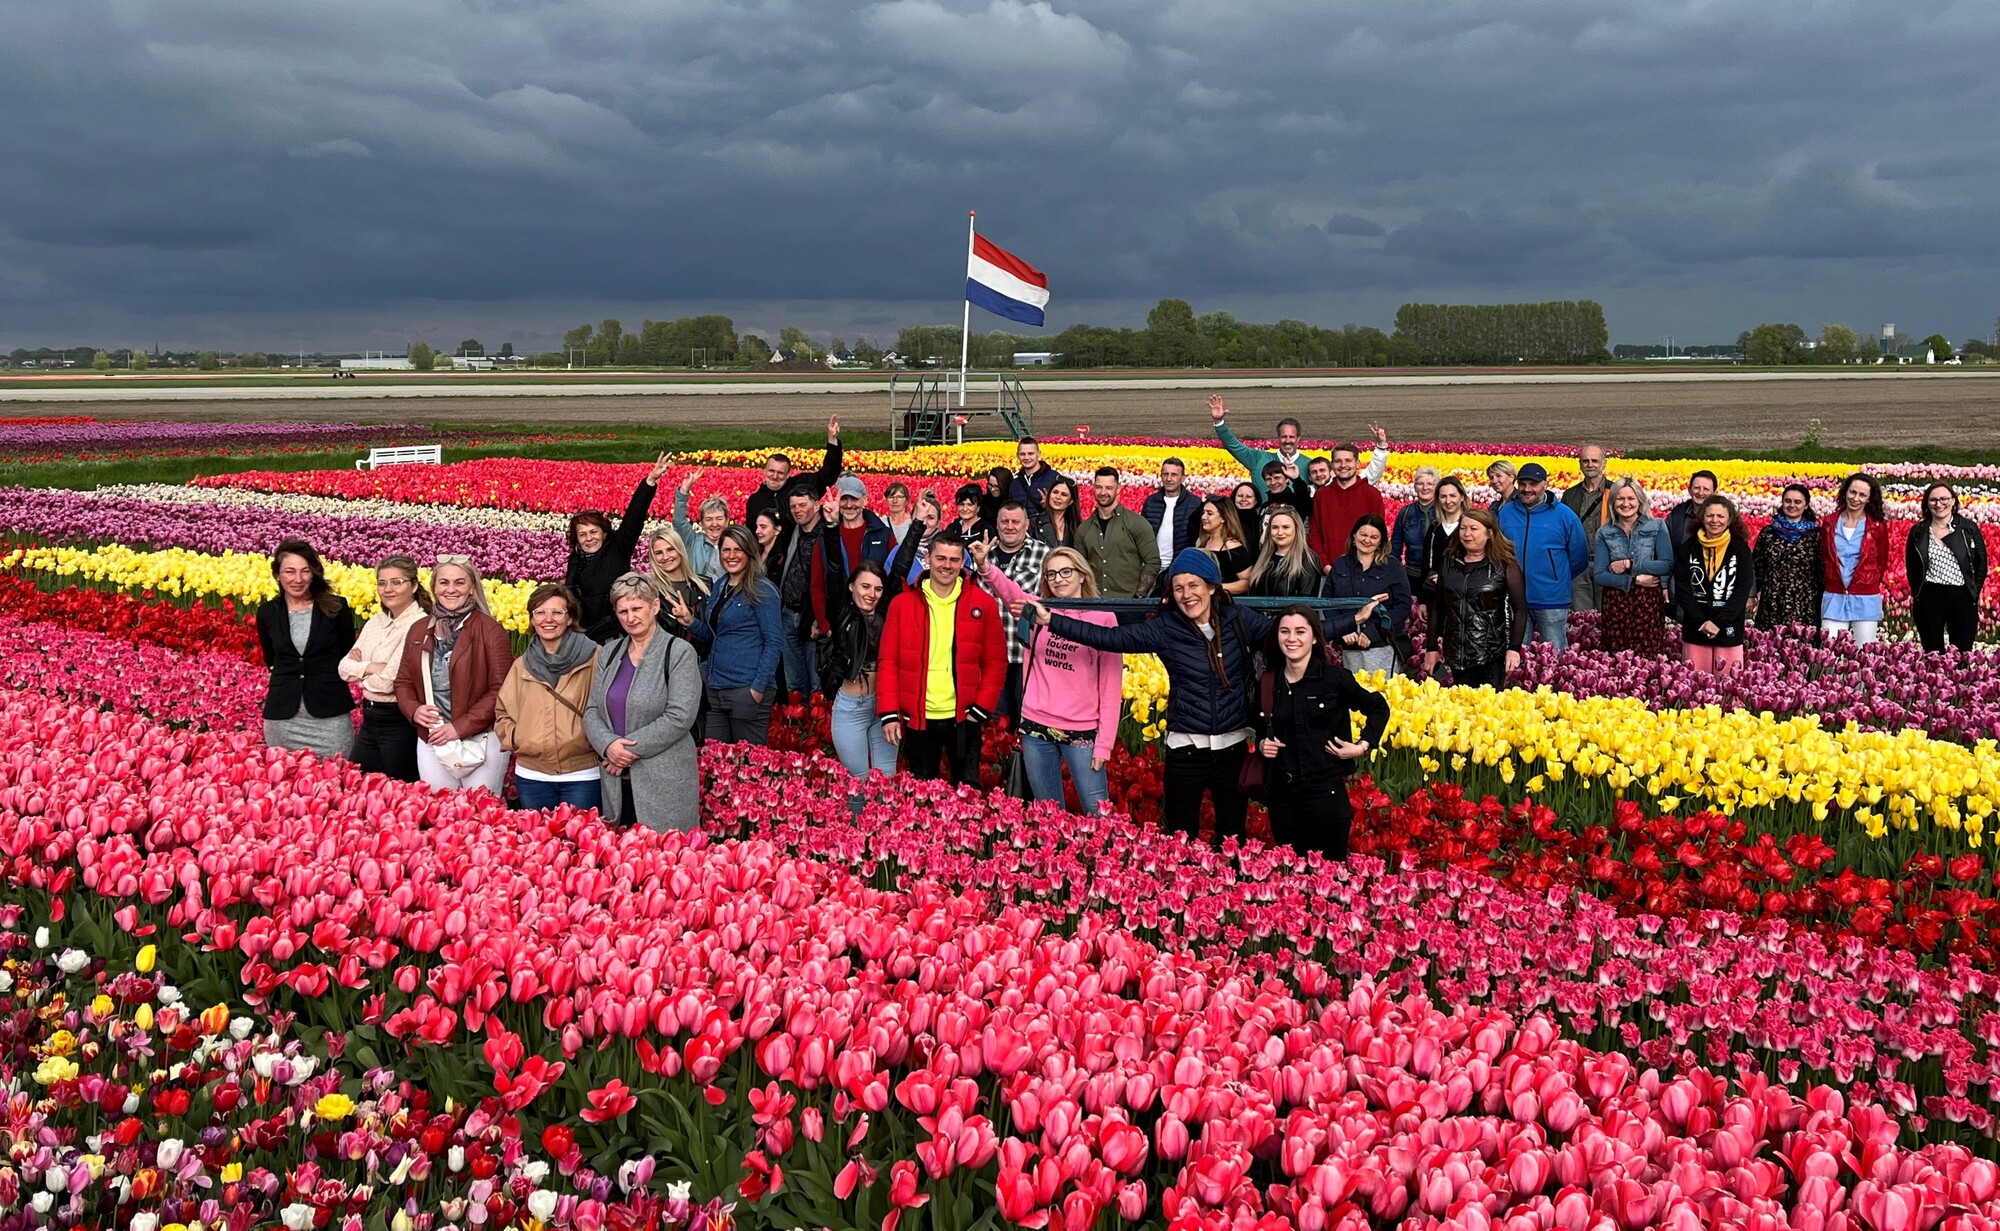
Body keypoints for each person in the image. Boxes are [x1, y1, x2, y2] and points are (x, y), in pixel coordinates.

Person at [1026, 549, 1292, 845]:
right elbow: (1110, 639)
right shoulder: (1167, 628)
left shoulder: (1239, 619)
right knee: (1180, 838)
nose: (1186, 594)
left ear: (1212, 586)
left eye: (1194, 586)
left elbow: (1292, 636)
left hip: (1232, 749)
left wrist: (1352, 620)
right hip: (1186, 749)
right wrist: (1053, 621)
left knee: (1232, 837)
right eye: (1178, 588)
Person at [974, 545, 1121, 814]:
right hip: (1036, 727)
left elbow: (1111, 686)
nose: (1058, 579)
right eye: (1051, 574)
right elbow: (1010, 592)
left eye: (1066, 571)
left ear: (1083, 575)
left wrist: (1104, 745)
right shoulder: (1036, 611)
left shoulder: (1103, 617)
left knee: (1098, 812)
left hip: (1082, 731)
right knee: (1047, 815)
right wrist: (985, 566)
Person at [1254, 608, 1390, 861]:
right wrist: (1262, 743)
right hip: (1283, 796)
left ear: (1315, 638)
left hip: (1324, 793)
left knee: (1329, 875)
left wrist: (1362, 745)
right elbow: (1259, 722)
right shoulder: (1268, 681)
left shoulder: (1334, 679)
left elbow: (1378, 707)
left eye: (1300, 631)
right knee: (1290, 874)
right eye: (1285, 631)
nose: (1291, 638)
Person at [877, 531, 1007, 786]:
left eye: (953, 559)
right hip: (919, 717)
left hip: (964, 717)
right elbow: (888, 661)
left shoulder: (984, 603)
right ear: (928, 558)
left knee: (966, 790)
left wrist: (981, 707)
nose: (946, 565)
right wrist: (889, 713)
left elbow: (996, 662)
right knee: (921, 794)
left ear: (962, 563)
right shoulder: (902, 604)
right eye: (940, 558)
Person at [585, 574, 702, 831]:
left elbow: (679, 716)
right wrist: (608, 745)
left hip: (663, 781)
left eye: (637, 608)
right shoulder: (610, 652)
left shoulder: (678, 652)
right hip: (616, 779)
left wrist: (624, 752)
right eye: (623, 611)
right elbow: (593, 709)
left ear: (655, 606)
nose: (630, 617)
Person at [394, 556, 514, 794]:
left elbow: (502, 690)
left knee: (480, 812)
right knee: (439, 812)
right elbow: (403, 681)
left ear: (472, 588)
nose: (451, 589)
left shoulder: (490, 630)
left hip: (480, 739)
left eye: (459, 583)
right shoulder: (420, 629)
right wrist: (415, 710)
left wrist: (459, 727)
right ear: (434, 587)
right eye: (444, 582)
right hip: (432, 736)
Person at [495, 584, 602, 813]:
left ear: (570, 617)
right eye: (540, 612)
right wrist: (518, 739)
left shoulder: (595, 657)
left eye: (557, 612)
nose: (548, 619)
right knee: (537, 844)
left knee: (582, 844)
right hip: (533, 775)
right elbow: (503, 711)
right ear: (532, 620)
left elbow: (610, 707)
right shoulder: (521, 665)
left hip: (582, 773)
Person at [258, 539, 359, 759]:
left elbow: (346, 653)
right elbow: (272, 659)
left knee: (340, 780)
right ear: (277, 575)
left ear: (314, 573)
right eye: (289, 571)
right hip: (283, 717)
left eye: (305, 571)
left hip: (329, 714)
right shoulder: (267, 612)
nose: (298, 579)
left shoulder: (336, 607)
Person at [820, 557, 918, 781]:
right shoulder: (842, 614)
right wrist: (832, 527)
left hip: (883, 706)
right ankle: (856, 818)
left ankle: (886, 817)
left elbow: (900, 566)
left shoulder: (884, 613)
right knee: (859, 781)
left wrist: (918, 524)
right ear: (852, 586)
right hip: (851, 709)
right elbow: (833, 568)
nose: (871, 594)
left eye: (878, 589)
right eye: (865, 586)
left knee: (886, 779)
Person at [340, 555, 431, 781]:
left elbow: (389, 682)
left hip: (399, 722)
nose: (387, 589)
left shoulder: (419, 625)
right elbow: (343, 668)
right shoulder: (376, 621)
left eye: (396, 582)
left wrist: (360, 671)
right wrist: (373, 667)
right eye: (382, 583)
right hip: (370, 718)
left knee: (400, 790)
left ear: (414, 586)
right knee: (355, 783)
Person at [688, 526, 783, 743]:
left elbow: (774, 643)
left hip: (745, 688)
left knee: (747, 766)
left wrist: (757, 689)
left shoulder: (762, 590)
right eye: (726, 550)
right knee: (716, 763)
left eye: (738, 550)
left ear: (749, 552)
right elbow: (717, 636)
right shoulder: (721, 585)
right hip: (716, 687)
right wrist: (690, 622)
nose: (731, 556)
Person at [568, 454, 671, 642]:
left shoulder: (617, 550)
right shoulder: (575, 560)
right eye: (583, 534)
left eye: (594, 532)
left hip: (616, 632)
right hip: (584, 636)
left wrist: (650, 481)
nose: (589, 539)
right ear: (577, 539)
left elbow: (634, 518)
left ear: (604, 533)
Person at [1210, 393, 1388, 499]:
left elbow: (1349, 481)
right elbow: (1234, 446)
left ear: (1298, 438)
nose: (1287, 441)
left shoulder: (1312, 467)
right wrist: (1220, 422)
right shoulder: (1258, 459)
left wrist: (1380, 449)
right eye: (1283, 437)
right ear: (1278, 438)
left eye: (1291, 437)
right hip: (1262, 530)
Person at [1425, 511, 1527, 688]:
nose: (1467, 534)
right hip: (1456, 653)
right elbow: (1437, 607)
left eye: (1474, 529)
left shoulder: (1504, 565)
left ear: (1490, 533)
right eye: (1463, 528)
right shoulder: (1449, 562)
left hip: (1490, 654)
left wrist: (1514, 648)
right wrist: (1432, 648)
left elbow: (1520, 608)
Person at [1495, 462, 1589, 651]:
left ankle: (1553, 682)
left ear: (1545, 484)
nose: (1527, 489)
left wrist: (1556, 577)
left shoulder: (1564, 515)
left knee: (1554, 654)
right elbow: (1498, 550)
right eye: (1522, 484)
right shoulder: (1506, 513)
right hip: (1516, 597)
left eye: (1533, 484)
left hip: (1551, 598)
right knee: (1517, 653)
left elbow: (1579, 556)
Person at [810, 474, 898, 651]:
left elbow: (896, 579)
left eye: (855, 499)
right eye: (844, 499)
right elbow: (817, 584)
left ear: (864, 499)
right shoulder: (825, 537)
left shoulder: (882, 534)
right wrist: (826, 626)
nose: (849, 505)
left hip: (876, 623)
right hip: (840, 623)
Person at [1591, 478, 1673, 655]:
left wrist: (1630, 564)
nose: (1626, 503)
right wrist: (1634, 579)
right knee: (1616, 656)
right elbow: (1599, 575)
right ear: (1613, 502)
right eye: (1620, 499)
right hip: (1616, 601)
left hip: (1647, 601)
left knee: (1647, 655)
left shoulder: (1657, 525)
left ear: (1640, 500)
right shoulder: (1605, 532)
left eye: (1631, 498)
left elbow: (1666, 565)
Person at [1324, 514, 1412, 675]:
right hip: (1350, 645)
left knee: (1382, 694)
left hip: (1382, 645)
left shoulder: (1392, 567)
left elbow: (1403, 606)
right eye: (1363, 534)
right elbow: (1328, 602)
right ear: (1354, 535)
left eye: (1374, 537)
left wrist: (1374, 632)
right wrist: (1343, 629)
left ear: (1381, 542)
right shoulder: (1340, 565)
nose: (1367, 540)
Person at [1676, 495, 1754, 676]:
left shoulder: (1740, 549)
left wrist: (1718, 622)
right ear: (1702, 517)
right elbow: (1683, 588)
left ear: (1729, 519)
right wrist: (1701, 621)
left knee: (1727, 688)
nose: (1715, 521)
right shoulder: (1689, 547)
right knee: (1694, 684)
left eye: (1720, 516)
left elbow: (1742, 591)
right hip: (1696, 627)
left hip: (1728, 629)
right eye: (1710, 516)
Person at [985, 501, 1050, 718]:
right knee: (995, 727)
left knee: (1026, 720)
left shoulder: (1043, 555)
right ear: (997, 524)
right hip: (990, 656)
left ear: (1026, 524)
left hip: (1027, 655)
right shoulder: (982, 555)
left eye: (1015, 522)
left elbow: (1051, 601)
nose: (1009, 526)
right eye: (1004, 521)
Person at [1907, 482, 1987, 652]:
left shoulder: (1968, 528)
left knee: (1961, 653)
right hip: (1930, 595)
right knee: (1932, 652)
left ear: (1953, 501)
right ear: (1927, 503)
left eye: (1944, 499)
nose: (1939, 504)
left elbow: (1981, 564)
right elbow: (1912, 567)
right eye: (1933, 500)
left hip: (1961, 595)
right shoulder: (1919, 531)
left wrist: (1973, 592)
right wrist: (1918, 594)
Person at [1821, 473, 1889, 645]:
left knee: (1864, 653)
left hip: (1865, 596)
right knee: (1829, 651)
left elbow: (1881, 560)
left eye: (1862, 495)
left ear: (1869, 499)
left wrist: (1868, 582)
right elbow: (1824, 556)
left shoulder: (1877, 526)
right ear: (1845, 492)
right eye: (1852, 492)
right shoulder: (1829, 523)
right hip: (1834, 594)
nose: (1856, 498)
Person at [744, 415, 842, 529]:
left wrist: (832, 440)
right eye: (771, 471)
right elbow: (751, 536)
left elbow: (829, 474)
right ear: (765, 471)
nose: (775, 476)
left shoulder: (801, 485)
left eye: (780, 473)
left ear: (788, 474)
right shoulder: (755, 501)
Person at [1076, 467, 1159, 599]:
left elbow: (1152, 562)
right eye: (1099, 487)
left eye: (1109, 488)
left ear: (1118, 489)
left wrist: (1138, 597)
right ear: (1093, 488)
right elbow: (1079, 566)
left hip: (1128, 604)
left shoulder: (1136, 523)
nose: (1103, 492)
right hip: (1095, 603)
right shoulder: (1084, 529)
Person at [775, 484, 827, 698]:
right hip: (788, 613)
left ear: (816, 505)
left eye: (802, 505)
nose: (797, 510)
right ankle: (796, 730)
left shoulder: (826, 535)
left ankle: (816, 727)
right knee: (794, 681)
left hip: (812, 617)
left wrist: (819, 618)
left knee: (816, 682)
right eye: (793, 506)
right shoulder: (793, 531)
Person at [1307, 443, 1389, 572]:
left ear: (1357, 464)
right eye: (1338, 461)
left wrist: (1369, 566)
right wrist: (1325, 565)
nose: (1343, 465)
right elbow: (1314, 534)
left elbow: (1378, 534)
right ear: (1332, 465)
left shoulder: (1372, 494)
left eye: (1348, 461)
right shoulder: (1321, 496)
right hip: (1329, 570)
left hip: (1365, 571)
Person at [1752, 483, 1822, 632]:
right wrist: (1751, 595)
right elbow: (1756, 567)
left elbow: (1822, 570)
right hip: (1773, 600)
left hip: (1805, 602)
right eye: (1788, 501)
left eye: (1798, 502)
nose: (1792, 505)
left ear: (1806, 505)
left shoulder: (1816, 535)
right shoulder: (1768, 533)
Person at [1559, 446, 1612, 613]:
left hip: (1608, 563)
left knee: (1609, 615)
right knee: (1581, 617)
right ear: (1580, 464)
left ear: (1604, 464)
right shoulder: (1570, 494)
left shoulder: (1616, 491)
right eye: (1585, 461)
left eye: (1594, 461)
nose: (1590, 464)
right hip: (1579, 564)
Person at [646, 526, 712, 643]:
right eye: (658, 553)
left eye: (671, 549)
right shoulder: (650, 591)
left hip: (705, 658)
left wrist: (691, 622)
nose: (666, 557)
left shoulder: (706, 584)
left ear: (680, 550)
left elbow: (715, 632)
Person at [1245, 506, 1323, 598]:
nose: (1280, 532)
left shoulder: (1308, 560)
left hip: (1293, 612)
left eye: (1286, 527)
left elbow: (1306, 600)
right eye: (1275, 527)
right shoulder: (1263, 557)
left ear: (1297, 529)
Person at [1140, 457, 1201, 569]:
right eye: (1165, 474)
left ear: (1183, 478)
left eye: (1174, 475)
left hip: (1180, 566)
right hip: (1151, 566)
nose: (1169, 478)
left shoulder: (1194, 503)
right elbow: (1141, 534)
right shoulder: (1151, 502)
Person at [1391, 466, 1441, 601]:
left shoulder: (1443, 512)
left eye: (1430, 484)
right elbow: (1396, 546)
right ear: (1414, 486)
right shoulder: (1406, 513)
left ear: (1437, 487)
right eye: (1420, 483)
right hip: (1412, 574)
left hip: (1438, 576)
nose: (1425, 488)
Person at [671, 471, 729, 586]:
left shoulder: (735, 543)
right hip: (700, 597)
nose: (714, 524)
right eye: (708, 519)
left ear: (727, 521)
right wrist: (684, 491)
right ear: (701, 523)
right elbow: (679, 521)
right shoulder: (693, 541)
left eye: (719, 518)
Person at [1192, 495, 1255, 595]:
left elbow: (1247, 583)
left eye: (1210, 513)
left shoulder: (1232, 546)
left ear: (1223, 518)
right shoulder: (1201, 542)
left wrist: (1217, 587)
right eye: (1203, 512)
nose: (1204, 517)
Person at [1420, 477, 1470, 597]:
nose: (1448, 501)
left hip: (1462, 594)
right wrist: (1423, 600)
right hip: (1435, 594)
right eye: (1443, 497)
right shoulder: (1434, 529)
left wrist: (1447, 579)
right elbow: (1426, 564)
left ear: (1462, 497)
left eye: (1453, 496)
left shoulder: (1470, 527)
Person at [1008, 437, 1062, 520]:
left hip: (1046, 529)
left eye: (1030, 453)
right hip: (1023, 530)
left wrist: (1050, 505)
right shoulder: (1015, 483)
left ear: (1039, 454)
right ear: (1017, 455)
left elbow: (1067, 508)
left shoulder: (1053, 478)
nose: (1026, 458)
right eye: (1022, 454)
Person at [1664, 471, 1719, 551]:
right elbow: (1665, 548)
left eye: (1706, 489)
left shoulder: (1721, 517)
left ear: (1714, 493)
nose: (1700, 493)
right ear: (1689, 490)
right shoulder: (1676, 515)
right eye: (1697, 488)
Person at [1036, 477, 1081, 549]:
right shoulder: (1034, 523)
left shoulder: (1078, 527)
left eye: (1064, 494)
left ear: (1071, 501)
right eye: (1055, 492)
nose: (1058, 497)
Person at [1232, 481, 1266, 560]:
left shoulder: (1261, 522)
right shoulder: (1226, 520)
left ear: (1256, 501)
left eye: (1249, 497)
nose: (1243, 499)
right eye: (1240, 496)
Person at [751, 508, 788, 575]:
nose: (757, 531)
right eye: (757, 526)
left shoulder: (782, 558)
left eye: (763, 527)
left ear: (777, 529)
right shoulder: (754, 552)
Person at [884, 482, 916, 548]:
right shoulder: (881, 524)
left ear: (907, 501)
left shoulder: (913, 524)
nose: (895, 501)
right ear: (886, 500)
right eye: (891, 497)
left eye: (899, 497)